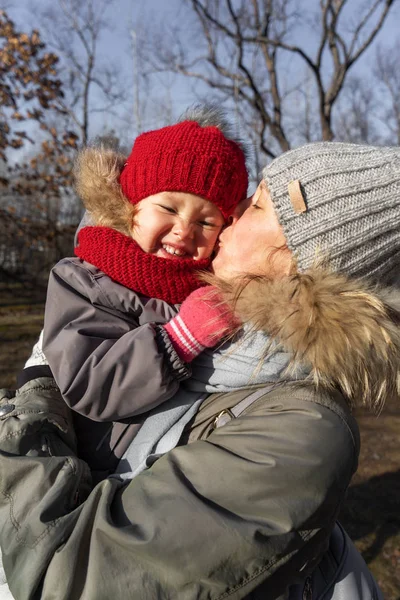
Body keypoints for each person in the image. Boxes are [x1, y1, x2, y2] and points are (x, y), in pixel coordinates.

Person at [1, 141, 398, 599]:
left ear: (299, 259)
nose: (234, 211)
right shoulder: (191, 318)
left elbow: (68, 579)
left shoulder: (305, 432)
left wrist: (35, 398)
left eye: (259, 203)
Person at [25, 105, 247, 476]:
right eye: (169, 207)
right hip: (87, 467)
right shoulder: (83, 279)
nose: (184, 230)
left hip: (169, 467)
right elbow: (88, 382)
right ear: (132, 207)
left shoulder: (215, 289)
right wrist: (178, 340)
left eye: (206, 221)